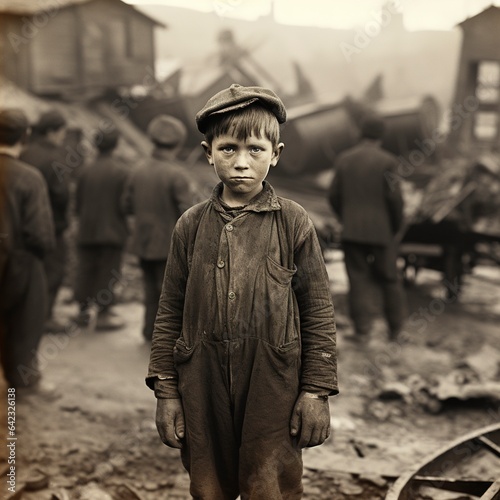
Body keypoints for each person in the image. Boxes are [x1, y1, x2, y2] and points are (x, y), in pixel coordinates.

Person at [147, 84, 338, 499]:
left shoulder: (293, 222)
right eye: (228, 149)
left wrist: (316, 390)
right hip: (202, 386)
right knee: (208, 487)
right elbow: (169, 312)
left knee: (269, 486)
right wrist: (166, 391)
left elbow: (318, 309)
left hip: (273, 387)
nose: (241, 163)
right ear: (207, 152)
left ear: (276, 153)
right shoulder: (191, 226)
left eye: (255, 149)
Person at [328, 114, 406, 341]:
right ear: (381, 136)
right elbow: (395, 200)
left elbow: (333, 195)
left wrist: (346, 217)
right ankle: (396, 331)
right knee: (390, 279)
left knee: (358, 279)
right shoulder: (389, 161)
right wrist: (395, 226)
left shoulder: (344, 159)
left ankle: (362, 331)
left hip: (352, 231)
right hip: (382, 232)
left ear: (361, 134)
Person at [122, 115, 196, 341]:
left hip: (143, 242)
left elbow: (126, 206)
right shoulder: (177, 175)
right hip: (169, 246)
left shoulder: (137, 170)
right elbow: (189, 214)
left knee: (150, 290)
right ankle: (167, 338)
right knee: (171, 294)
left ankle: (149, 331)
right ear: (178, 144)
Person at [0, 109, 55, 389]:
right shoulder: (29, 178)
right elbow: (40, 234)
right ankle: (20, 380)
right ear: (25, 136)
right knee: (25, 322)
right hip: (20, 262)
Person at [73, 127, 129, 331]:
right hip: (112, 231)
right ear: (115, 145)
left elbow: (77, 204)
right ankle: (104, 314)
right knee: (108, 271)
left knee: (85, 269)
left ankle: (82, 311)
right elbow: (125, 205)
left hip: (87, 230)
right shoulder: (121, 171)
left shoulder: (84, 170)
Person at [20, 109, 69, 333]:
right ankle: (44, 317)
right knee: (54, 270)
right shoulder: (54, 158)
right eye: (61, 132)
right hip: (49, 225)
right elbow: (61, 195)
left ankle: (25, 314)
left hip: (21, 223)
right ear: (51, 132)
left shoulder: (25, 152)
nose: (63, 137)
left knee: (26, 271)